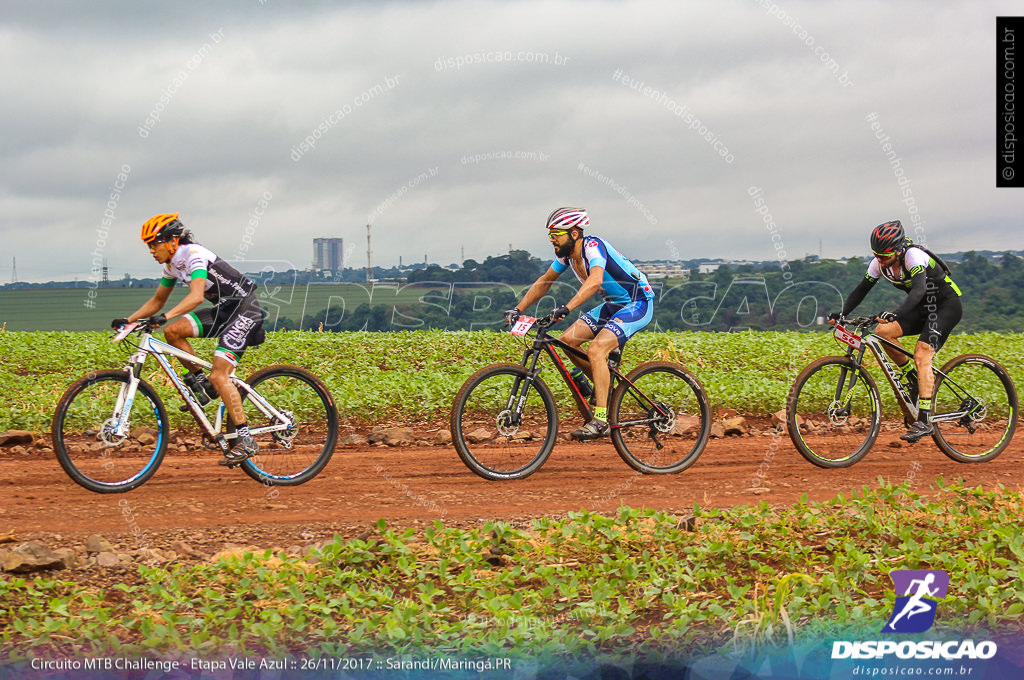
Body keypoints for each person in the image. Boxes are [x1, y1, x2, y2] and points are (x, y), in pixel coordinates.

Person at [112, 213, 266, 465]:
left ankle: (246, 438)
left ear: (172, 241)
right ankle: (203, 383)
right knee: (173, 332)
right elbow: (157, 301)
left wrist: (165, 316)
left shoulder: (193, 255)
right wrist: (128, 320)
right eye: (148, 245)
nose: (151, 250)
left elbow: (195, 297)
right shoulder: (170, 265)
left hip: (245, 309)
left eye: (154, 243)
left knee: (220, 375)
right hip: (224, 310)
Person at [505, 207, 654, 440]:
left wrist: (567, 307)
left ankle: (602, 421)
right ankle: (604, 387)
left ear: (574, 233)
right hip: (613, 305)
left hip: (637, 303)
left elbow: (595, 281)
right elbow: (545, 281)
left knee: (596, 350)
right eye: (550, 235)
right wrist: (518, 309)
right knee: (567, 341)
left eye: (557, 234)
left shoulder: (592, 247)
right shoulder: (566, 256)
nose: (553, 239)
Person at [829, 220, 962, 443]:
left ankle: (925, 421)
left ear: (899, 249)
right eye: (876, 255)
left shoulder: (913, 257)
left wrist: (897, 313)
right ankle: (911, 378)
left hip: (945, 306)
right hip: (921, 308)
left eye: (885, 255)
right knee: (883, 332)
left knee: (922, 354)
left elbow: (919, 290)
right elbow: (862, 289)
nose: (880, 259)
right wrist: (840, 313)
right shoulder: (879, 262)